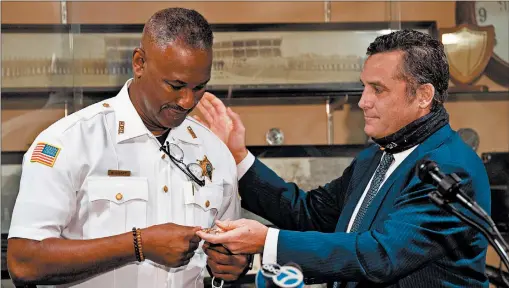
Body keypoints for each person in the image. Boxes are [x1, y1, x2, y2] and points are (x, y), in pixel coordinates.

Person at [195, 29, 492, 287]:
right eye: (364, 86)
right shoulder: (375, 158)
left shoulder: (451, 168)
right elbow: (308, 214)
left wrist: (267, 241)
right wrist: (238, 156)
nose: (363, 101)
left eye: (378, 89)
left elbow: (382, 255)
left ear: (424, 95)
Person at [7, 7, 250, 288]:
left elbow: (229, 251)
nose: (187, 101)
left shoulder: (214, 152)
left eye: (199, 88)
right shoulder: (70, 141)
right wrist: (138, 245)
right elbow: (24, 262)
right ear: (139, 63)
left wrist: (233, 264)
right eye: (175, 85)